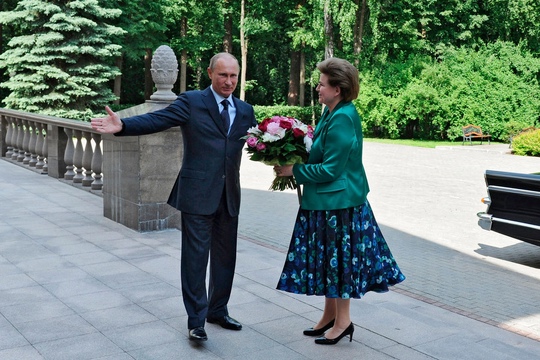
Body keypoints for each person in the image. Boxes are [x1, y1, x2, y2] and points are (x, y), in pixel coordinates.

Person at [91, 52, 257, 342]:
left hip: (229, 195)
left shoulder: (245, 110)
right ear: (210, 73)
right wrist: (124, 126)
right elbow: (158, 119)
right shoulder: (192, 102)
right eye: (223, 75)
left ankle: (218, 310)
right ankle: (197, 321)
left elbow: (258, 143)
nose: (229, 81)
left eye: (233, 76)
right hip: (196, 194)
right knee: (195, 259)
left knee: (225, 258)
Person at [274, 57, 405, 345]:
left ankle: (343, 321)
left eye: (322, 84)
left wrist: (293, 170)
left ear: (338, 88)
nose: (317, 89)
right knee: (328, 264)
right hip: (327, 204)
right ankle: (330, 316)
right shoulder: (331, 112)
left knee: (338, 265)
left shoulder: (344, 117)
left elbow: (332, 169)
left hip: (339, 206)